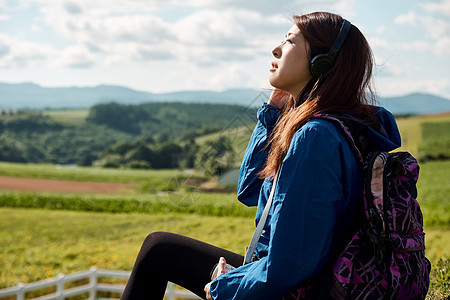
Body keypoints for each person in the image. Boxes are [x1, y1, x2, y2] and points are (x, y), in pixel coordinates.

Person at [120, 11, 401, 300]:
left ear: (322, 62)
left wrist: (222, 285)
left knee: (158, 251)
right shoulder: (339, 125)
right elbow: (251, 189)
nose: (276, 49)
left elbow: (291, 263)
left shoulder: (316, 137)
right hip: (300, 274)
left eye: (290, 41)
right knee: (159, 249)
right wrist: (272, 113)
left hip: (300, 287)